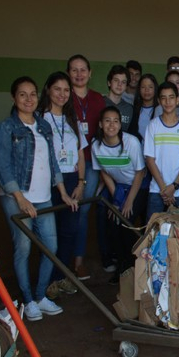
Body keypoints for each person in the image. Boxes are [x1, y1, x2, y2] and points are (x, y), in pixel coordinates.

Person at [0, 76, 77, 321]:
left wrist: (62, 191)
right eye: (22, 94)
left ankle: (41, 296)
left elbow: (52, 162)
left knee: (50, 247)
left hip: (43, 198)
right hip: (16, 198)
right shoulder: (6, 128)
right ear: (14, 98)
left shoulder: (43, 125)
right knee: (24, 247)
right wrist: (20, 198)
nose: (28, 99)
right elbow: (3, 167)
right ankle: (28, 300)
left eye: (32, 94)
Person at [36, 72, 86, 299]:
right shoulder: (39, 119)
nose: (62, 94)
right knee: (49, 235)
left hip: (72, 179)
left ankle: (60, 277)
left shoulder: (72, 119)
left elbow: (80, 153)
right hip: (48, 181)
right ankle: (45, 282)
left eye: (66, 90)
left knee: (69, 231)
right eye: (57, 89)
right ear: (48, 90)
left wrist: (82, 182)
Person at [92, 106, 147, 284]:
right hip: (119, 187)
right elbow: (104, 173)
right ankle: (122, 267)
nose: (111, 125)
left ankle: (130, 266)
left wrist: (127, 201)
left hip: (139, 186)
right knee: (114, 219)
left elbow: (140, 173)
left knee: (126, 218)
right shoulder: (96, 145)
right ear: (101, 124)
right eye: (107, 120)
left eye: (116, 121)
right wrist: (117, 200)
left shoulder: (131, 142)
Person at [67, 54, 106, 280]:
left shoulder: (98, 99)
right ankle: (61, 259)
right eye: (74, 70)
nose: (79, 74)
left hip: (91, 162)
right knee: (65, 210)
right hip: (67, 163)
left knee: (82, 211)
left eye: (83, 70)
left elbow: (103, 133)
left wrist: (102, 170)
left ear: (90, 73)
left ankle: (78, 261)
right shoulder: (63, 96)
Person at [143, 82, 179, 218]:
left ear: (178, 100)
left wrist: (174, 186)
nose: (168, 102)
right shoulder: (153, 126)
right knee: (152, 230)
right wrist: (164, 188)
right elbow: (150, 159)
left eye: (171, 97)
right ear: (159, 101)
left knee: (176, 232)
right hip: (157, 189)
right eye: (164, 98)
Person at [104, 65, 135, 133]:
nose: (119, 84)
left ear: (126, 86)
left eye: (123, 82)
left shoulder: (129, 109)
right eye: (116, 80)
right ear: (109, 82)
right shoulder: (99, 103)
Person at [133, 73, 160, 140]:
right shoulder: (133, 110)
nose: (146, 90)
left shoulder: (160, 110)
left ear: (155, 89)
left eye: (150, 87)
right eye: (143, 87)